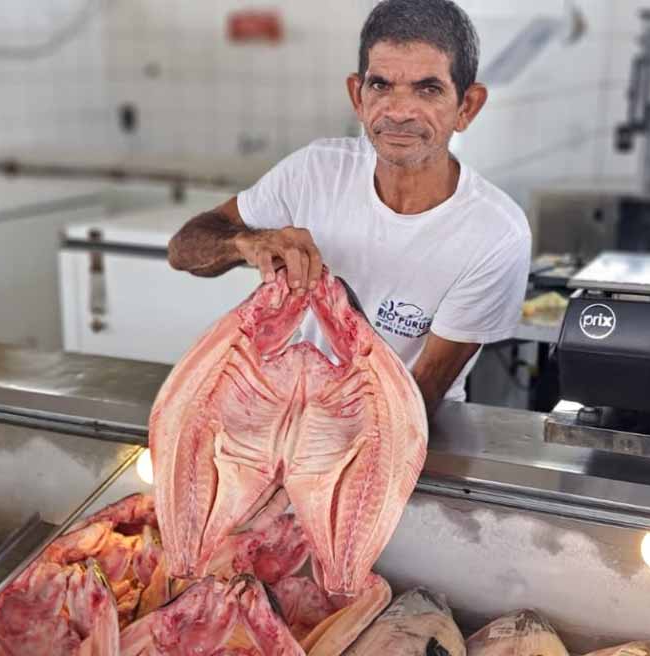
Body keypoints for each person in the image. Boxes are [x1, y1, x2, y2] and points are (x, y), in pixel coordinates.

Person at [167, 0, 531, 416]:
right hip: (287, 414)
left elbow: (419, 396)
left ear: (467, 107)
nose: (398, 112)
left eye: (428, 89)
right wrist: (246, 243)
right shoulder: (314, 170)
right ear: (357, 96)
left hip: (404, 432)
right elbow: (183, 250)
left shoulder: (495, 233)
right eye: (380, 86)